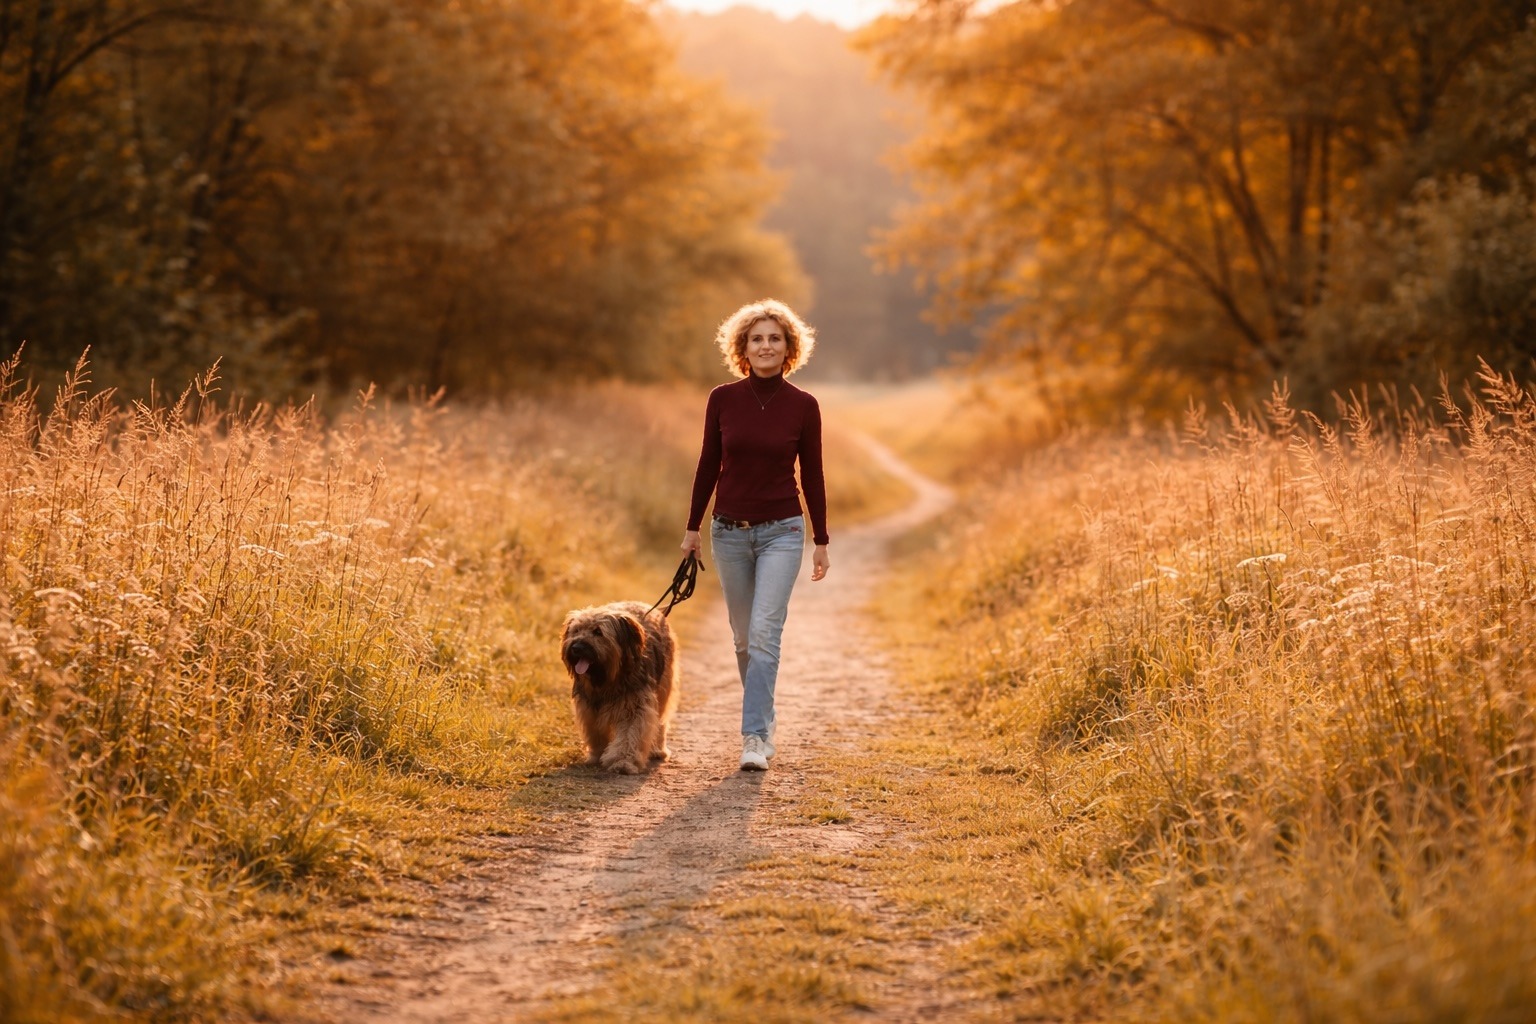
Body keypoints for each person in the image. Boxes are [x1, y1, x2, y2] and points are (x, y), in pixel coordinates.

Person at [681, 299, 830, 772]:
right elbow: (708, 465)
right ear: (742, 347)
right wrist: (692, 530)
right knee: (744, 640)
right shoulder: (722, 399)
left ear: (789, 347)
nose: (766, 346)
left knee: (766, 634)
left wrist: (820, 539)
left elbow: (815, 475)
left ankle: (754, 736)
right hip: (728, 532)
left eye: (775, 338)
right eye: (757, 338)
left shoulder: (804, 406)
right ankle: (764, 715)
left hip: (782, 532)